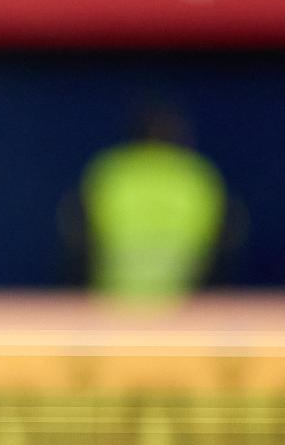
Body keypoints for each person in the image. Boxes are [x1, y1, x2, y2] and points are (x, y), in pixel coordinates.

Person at [71, 106, 229, 305]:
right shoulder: (197, 175)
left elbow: (77, 241)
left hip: (113, 304)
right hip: (184, 306)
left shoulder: (111, 172)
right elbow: (224, 245)